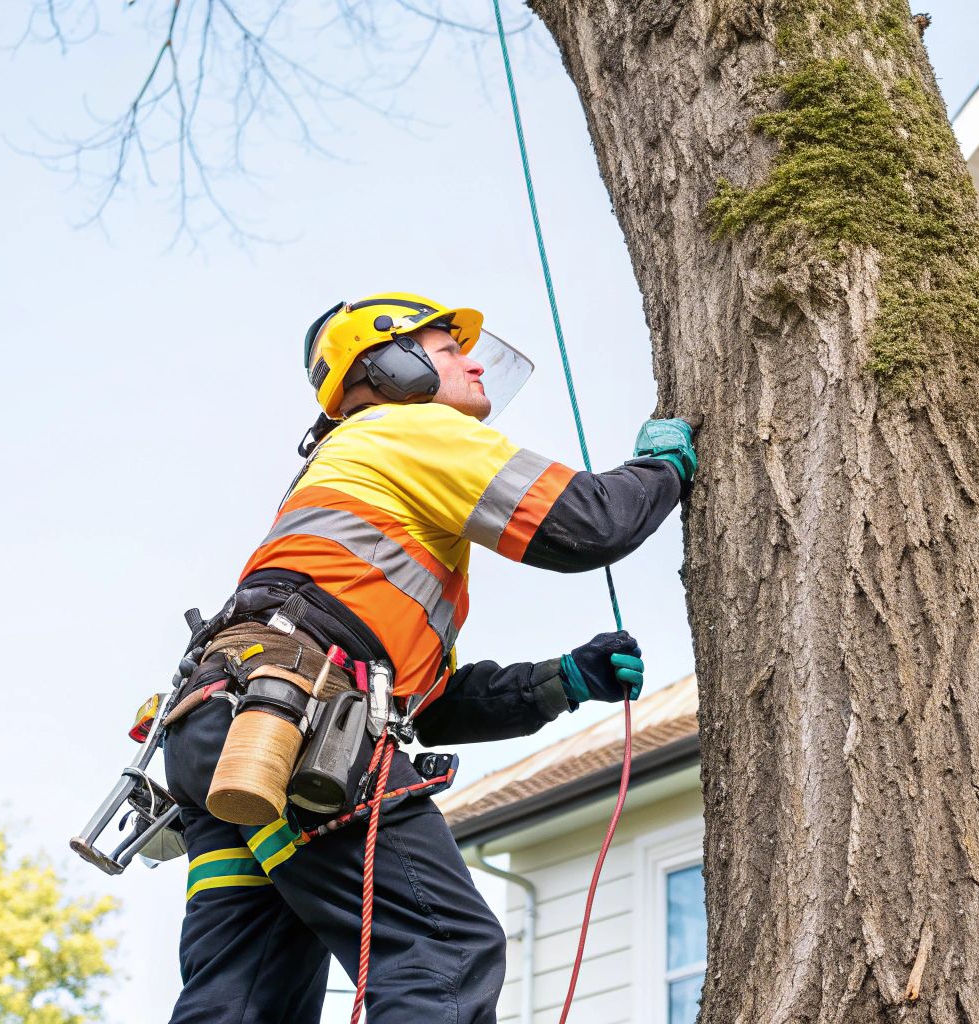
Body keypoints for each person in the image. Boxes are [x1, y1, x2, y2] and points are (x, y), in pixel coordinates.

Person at [161, 292, 695, 1023]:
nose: (473, 361)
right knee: (441, 950)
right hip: (300, 716)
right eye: (450, 349)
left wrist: (561, 682)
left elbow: (429, 706)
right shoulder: (406, 429)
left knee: (246, 998)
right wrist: (661, 469)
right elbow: (591, 521)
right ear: (389, 365)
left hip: (230, 728)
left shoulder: (362, 505)